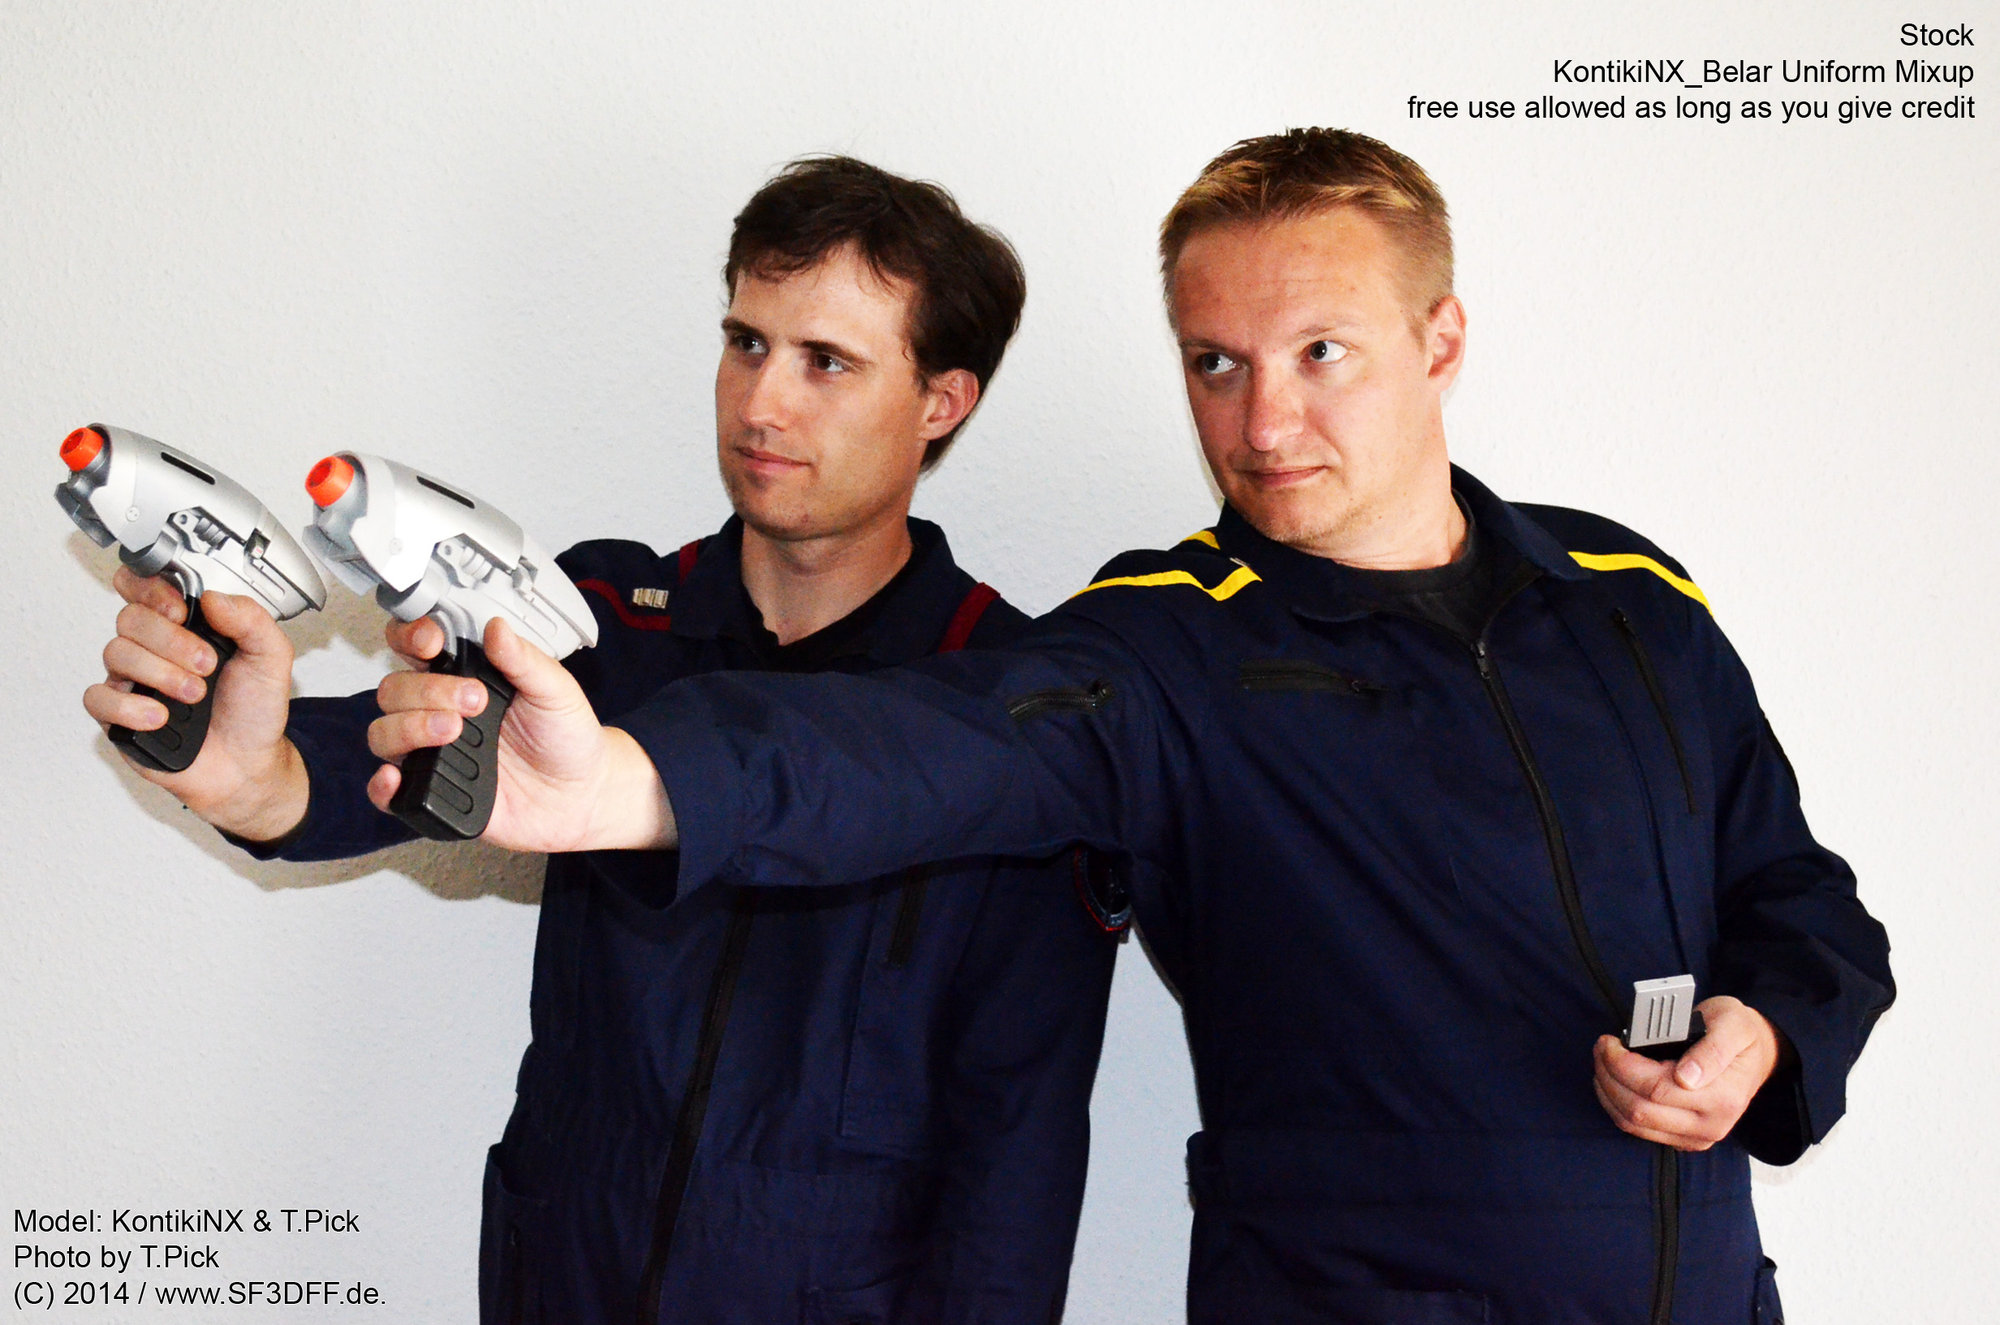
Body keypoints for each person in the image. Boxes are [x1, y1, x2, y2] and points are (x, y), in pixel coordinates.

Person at [376, 129, 1895, 1323]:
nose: (1261, 423)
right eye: (1214, 363)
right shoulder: (1170, 640)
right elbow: (923, 748)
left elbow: (1799, 900)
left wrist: (1766, 1034)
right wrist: (633, 785)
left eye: (1319, 352)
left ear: (1439, 340)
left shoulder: (1627, 597)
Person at [84, 156, 1124, 1324]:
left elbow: (1018, 1143)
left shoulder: (1007, 712)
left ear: (942, 400)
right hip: (562, 1272)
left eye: (825, 361)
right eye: (745, 343)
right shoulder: (601, 621)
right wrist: (255, 777)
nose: (761, 403)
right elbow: (391, 753)